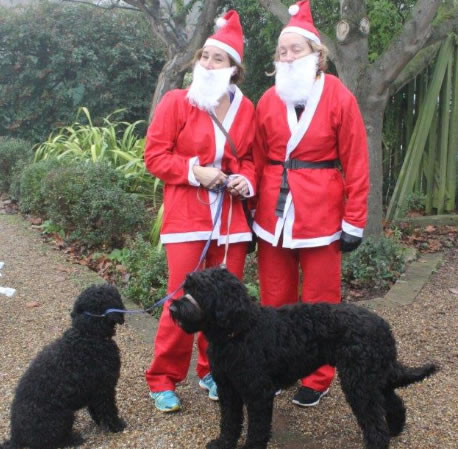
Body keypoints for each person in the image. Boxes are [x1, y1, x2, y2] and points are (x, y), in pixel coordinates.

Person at [252, 0, 369, 407]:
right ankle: (278, 367)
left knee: (321, 300)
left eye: (295, 49)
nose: (286, 56)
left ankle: (318, 377)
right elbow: (256, 156)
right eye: (282, 51)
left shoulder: (339, 97)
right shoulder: (268, 100)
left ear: (317, 54)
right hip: (273, 213)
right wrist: (250, 212)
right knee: (274, 297)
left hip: (321, 211)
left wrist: (355, 220)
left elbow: (356, 160)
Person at [143, 10, 256, 413]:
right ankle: (162, 377)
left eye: (217, 58)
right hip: (188, 219)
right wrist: (196, 172)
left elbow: (250, 161)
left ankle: (213, 372)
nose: (207, 64)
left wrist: (245, 180)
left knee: (226, 304)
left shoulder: (248, 109)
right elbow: (154, 156)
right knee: (183, 298)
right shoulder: (177, 102)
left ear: (233, 69)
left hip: (231, 221)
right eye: (204, 56)